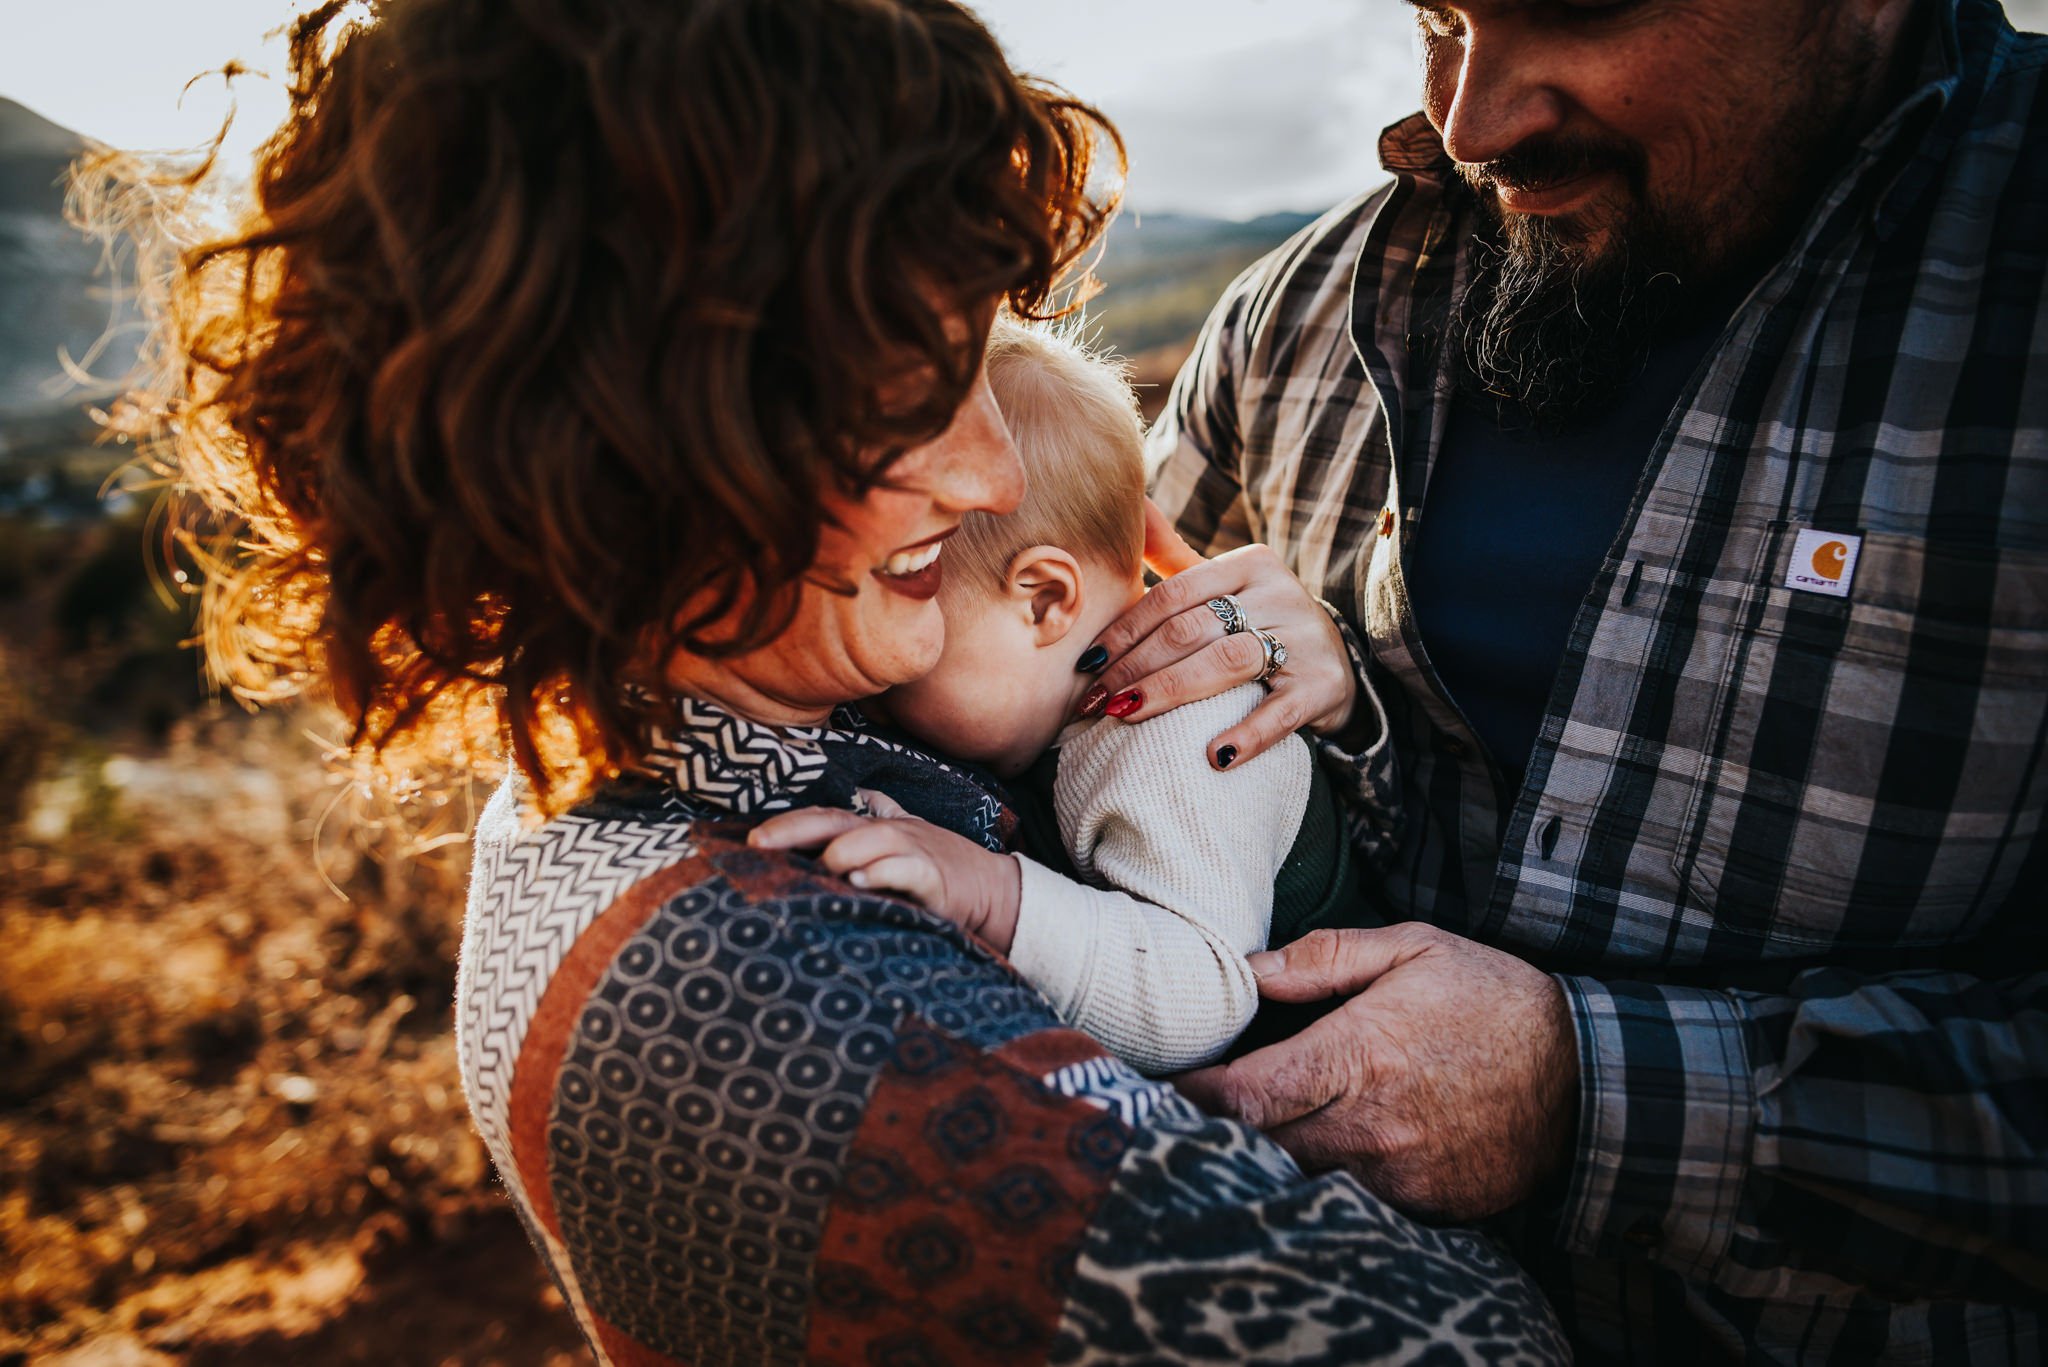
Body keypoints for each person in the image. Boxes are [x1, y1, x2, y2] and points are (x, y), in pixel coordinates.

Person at [87, 0, 1571, 1361]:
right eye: (903, 386)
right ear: (631, 437)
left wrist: (1290, 682)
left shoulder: (736, 746)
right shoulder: (781, 1001)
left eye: (984, 358)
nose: (990, 466)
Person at [1073, 0, 2048, 1360]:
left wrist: (1585, 1098)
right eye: (1440, 17)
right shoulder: (1293, 321)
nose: (1473, 121)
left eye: (1579, 8)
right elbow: (1045, 720)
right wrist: (1282, 702)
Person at [784, 317, 1371, 1076]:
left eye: (906, 658)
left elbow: (1203, 996)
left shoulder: (1177, 739)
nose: (872, 696)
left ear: (1042, 599)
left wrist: (990, 893)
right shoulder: (1060, 715)